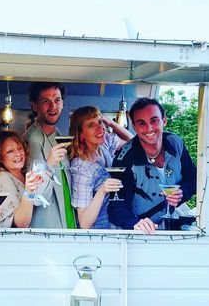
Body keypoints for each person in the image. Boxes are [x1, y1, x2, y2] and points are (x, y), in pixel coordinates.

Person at [107, 97, 197, 234]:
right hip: (143, 233)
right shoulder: (123, 161)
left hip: (174, 226)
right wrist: (135, 223)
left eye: (154, 121)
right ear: (134, 126)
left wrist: (182, 192)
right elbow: (116, 208)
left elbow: (193, 179)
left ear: (164, 121)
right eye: (141, 123)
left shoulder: (175, 142)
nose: (149, 128)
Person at [69, 106, 133, 229]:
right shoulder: (80, 168)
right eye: (91, 125)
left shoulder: (104, 144)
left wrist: (111, 123)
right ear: (81, 134)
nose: (100, 128)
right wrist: (102, 191)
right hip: (99, 235)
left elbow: (132, 142)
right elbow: (84, 223)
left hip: (116, 225)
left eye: (100, 122)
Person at [23, 82, 74, 228]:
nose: (53, 107)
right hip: (47, 228)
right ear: (34, 106)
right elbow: (37, 197)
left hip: (67, 221)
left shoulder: (58, 135)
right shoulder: (32, 139)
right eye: (46, 101)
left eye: (57, 100)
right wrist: (49, 165)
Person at [0, 130, 44, 228]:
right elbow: (20, 223)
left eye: (20, 148)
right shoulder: (1, 177)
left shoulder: (24, 174)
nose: (18, 153)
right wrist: (29, 191)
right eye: (10, 151)